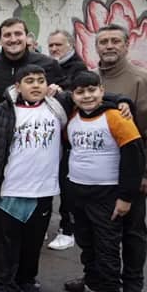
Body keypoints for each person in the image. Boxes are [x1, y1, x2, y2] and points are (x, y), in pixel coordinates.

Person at [64, 24, 147, 292]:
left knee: (131, 232)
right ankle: (95, 279)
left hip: (129, 174)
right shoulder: (93, 79)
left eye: (114, 41)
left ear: (126, 44)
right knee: (95, 233)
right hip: (94, 177)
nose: (108, 46)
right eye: (103, 41)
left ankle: (132, 285)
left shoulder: (143, 80)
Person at [0, 65, 68, 292]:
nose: (36, 85)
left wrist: (121, 102)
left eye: (40, 80)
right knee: (5, 243)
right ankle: (4, 285)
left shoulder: (57, 108)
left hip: (44, 190)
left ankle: (26, 279)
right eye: (29, 81)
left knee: (33, 242)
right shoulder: (0, 113)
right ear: (17, 87)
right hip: (10, 190)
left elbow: (94, 98)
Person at [64, 71, 145, 292]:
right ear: (74, 96)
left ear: (101, 90)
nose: (87, 96)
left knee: (107, 249)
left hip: (107, 196)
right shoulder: (74, 116)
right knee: (87, 246)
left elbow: (134, 158)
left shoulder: (116, 117)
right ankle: (93, 291)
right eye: (80, 92)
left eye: (92, 90)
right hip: (78, 192)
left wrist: (125, 197)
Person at [46, 28, 88, 252]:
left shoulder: (78, 68)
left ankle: (67, 229)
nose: (53, 49)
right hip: (50, 135)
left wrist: (62, 91)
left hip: (69, 137)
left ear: (70, 45)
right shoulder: (49, 65)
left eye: (58, 45)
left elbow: (79, 95)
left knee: (66, 184)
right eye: (51, 45)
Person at [0, 18, 65, 103]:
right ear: (0, 40)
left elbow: (66, 93)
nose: (13, 39)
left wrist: (59, 91)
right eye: (7, 35)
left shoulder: (48, 63)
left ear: (26, 38)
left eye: (18, 34)